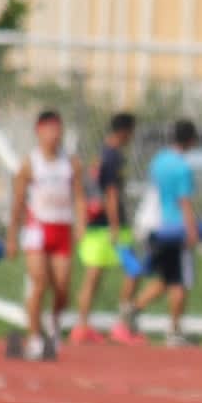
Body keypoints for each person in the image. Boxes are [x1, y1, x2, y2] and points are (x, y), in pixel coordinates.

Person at [7, 109, 86, 360]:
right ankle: (34, 337)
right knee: (39, 282)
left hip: (62, 228)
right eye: (50, 130)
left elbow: (80, 197)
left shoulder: (70, 163)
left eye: (58, 129)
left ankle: (53, 324)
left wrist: (81, 225)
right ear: (39, 132)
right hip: (38, 229)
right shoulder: (30, 164)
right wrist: (12, 236)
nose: (55, 135)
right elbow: (18, 202)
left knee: (62, 287)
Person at [72, 111, 140, 344]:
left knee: (93, 276)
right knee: (133, 270)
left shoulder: (99, 154)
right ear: (125, 131)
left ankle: (81, 326)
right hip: (112, 225)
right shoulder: (114, 157)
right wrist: (115, 226)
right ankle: (122, 325)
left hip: (94, 224)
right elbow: (111, 192)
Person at [130, 119, 199, 347]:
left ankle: (133, 309)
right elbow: (184, 201)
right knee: (180, 282)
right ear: (191, 140)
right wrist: (191, 230)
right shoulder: (183, 167)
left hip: (155, 227)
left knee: (166, 278)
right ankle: (174, 330)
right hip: (175, 228)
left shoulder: (158, 161)